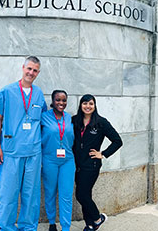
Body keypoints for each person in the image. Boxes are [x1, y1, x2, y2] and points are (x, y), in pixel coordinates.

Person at [0, 56, 47, 231]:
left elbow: (43, 121)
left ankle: (28, 226)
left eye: (35, 70)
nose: (31, 72)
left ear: (38, 73)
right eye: (29, 68)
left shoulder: (38, 94)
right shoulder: (7, 91)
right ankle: (6, 226)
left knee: (31, 193)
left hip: (33, 152)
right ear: (23, 68)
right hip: (11, 150)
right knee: (9, 192)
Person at [72, 94, 123, 231]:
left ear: (94, 106)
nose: (87, 106)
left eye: (90, 104)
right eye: (85, 103)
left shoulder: (101, 122)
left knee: (81, 194)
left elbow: (118, 141)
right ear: (81, 105)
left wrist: (103, 154)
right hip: (77, 165)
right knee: (86, 195)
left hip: (91, 165)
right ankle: (89, 225)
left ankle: (98, 218)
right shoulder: (75, 121)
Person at [41, 90, 75, 231]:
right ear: (52, 101)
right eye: (58, 100)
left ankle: (65, 227)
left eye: (64, 100)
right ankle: (52, 223)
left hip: (67, 160)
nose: (61, 103)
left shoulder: (70, 118)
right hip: (49, 160)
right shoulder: (44, 117)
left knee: (66, 195)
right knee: (50, 193)